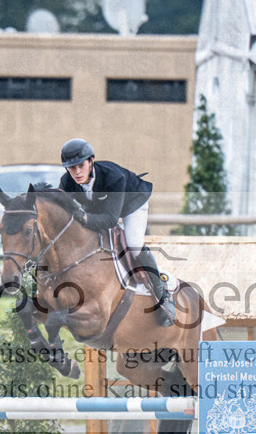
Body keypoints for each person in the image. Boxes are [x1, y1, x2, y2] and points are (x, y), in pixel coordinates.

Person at [58, 138, 176, 327]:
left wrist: (84, 218)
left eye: (81, 166)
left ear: (91, 161)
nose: (77, 172)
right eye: (72, 168)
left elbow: (110, 220)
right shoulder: (66, 183)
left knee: (134, 244)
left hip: (132, 203)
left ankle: (163, 296)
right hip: (101, 208)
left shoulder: (113, 176)